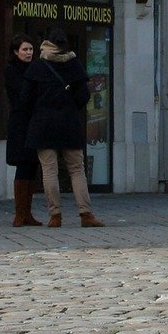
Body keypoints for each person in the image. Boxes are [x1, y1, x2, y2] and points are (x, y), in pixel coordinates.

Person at [25, 28, 103, 227]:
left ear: (46, 43)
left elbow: (25, 98)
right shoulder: (74, 64)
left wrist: (40, 108)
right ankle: (85, 214)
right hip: (69, 123)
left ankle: (55, 216)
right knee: (77, 169)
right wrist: (70, 107)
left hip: (43, 124)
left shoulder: (38, 66)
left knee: (49, 170)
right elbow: (84, 95)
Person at [4, 35, 42, 227]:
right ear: (16, 51)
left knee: (32, 165)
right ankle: (20, 213)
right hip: (20, 122)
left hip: (34, 121)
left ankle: (28, 212)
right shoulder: (11, 70)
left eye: (30, 50)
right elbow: (21, 96)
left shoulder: (36, 69)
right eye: (25, 50)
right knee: (22, 164)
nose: (28, 53)